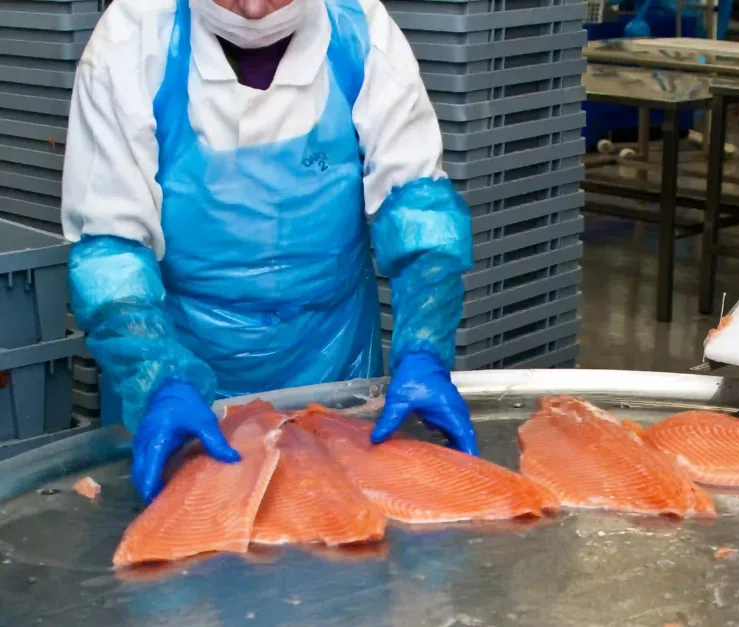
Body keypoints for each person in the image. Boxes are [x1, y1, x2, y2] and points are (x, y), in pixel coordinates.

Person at [62, 0, 479, 503]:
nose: (254, 8)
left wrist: (424, 348)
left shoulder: (358, 30)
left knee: (345, 554)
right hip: (182, 389)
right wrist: (157, 378)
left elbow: (418, 209)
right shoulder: (132, 39)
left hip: (337, 376)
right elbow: (112, 251)